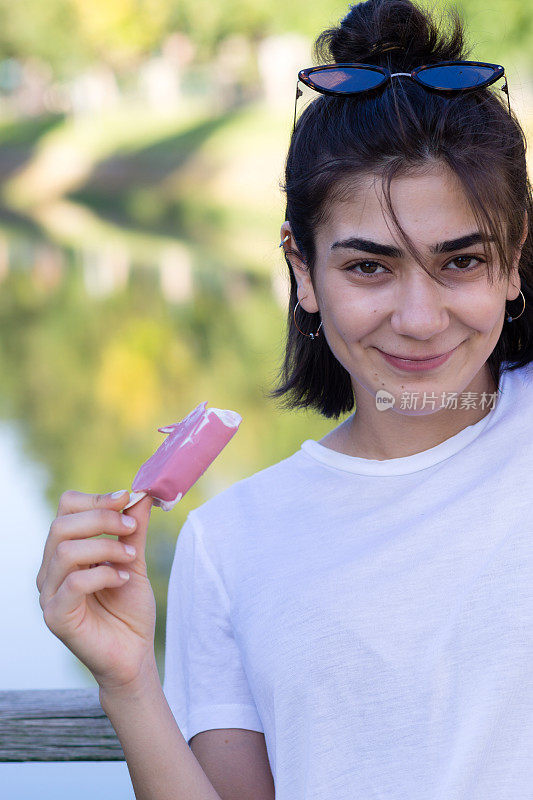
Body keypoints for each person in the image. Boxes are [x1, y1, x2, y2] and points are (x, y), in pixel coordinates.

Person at [36, 0, 533, 798]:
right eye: (367, 267)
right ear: (302, 270)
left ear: (513, 264)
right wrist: (127, 678)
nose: (416, 317)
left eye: (461, 262)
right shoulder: (230, 543)